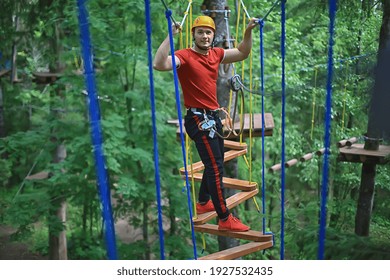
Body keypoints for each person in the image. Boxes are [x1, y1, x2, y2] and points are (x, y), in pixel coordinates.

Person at [153, 15, 258, 232]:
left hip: (213, 117)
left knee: (214, 162)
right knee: (215, 166)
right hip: (198, 119)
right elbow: (159, 64)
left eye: (208, 32)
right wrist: (170, 37)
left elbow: (242, 53)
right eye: (200, 32)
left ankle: (203, 203)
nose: (204, 36)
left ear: (213, 36)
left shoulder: (216, 54)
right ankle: (224, 217)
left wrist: (248, 30)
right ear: (193, 34)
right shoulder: (185, 56)